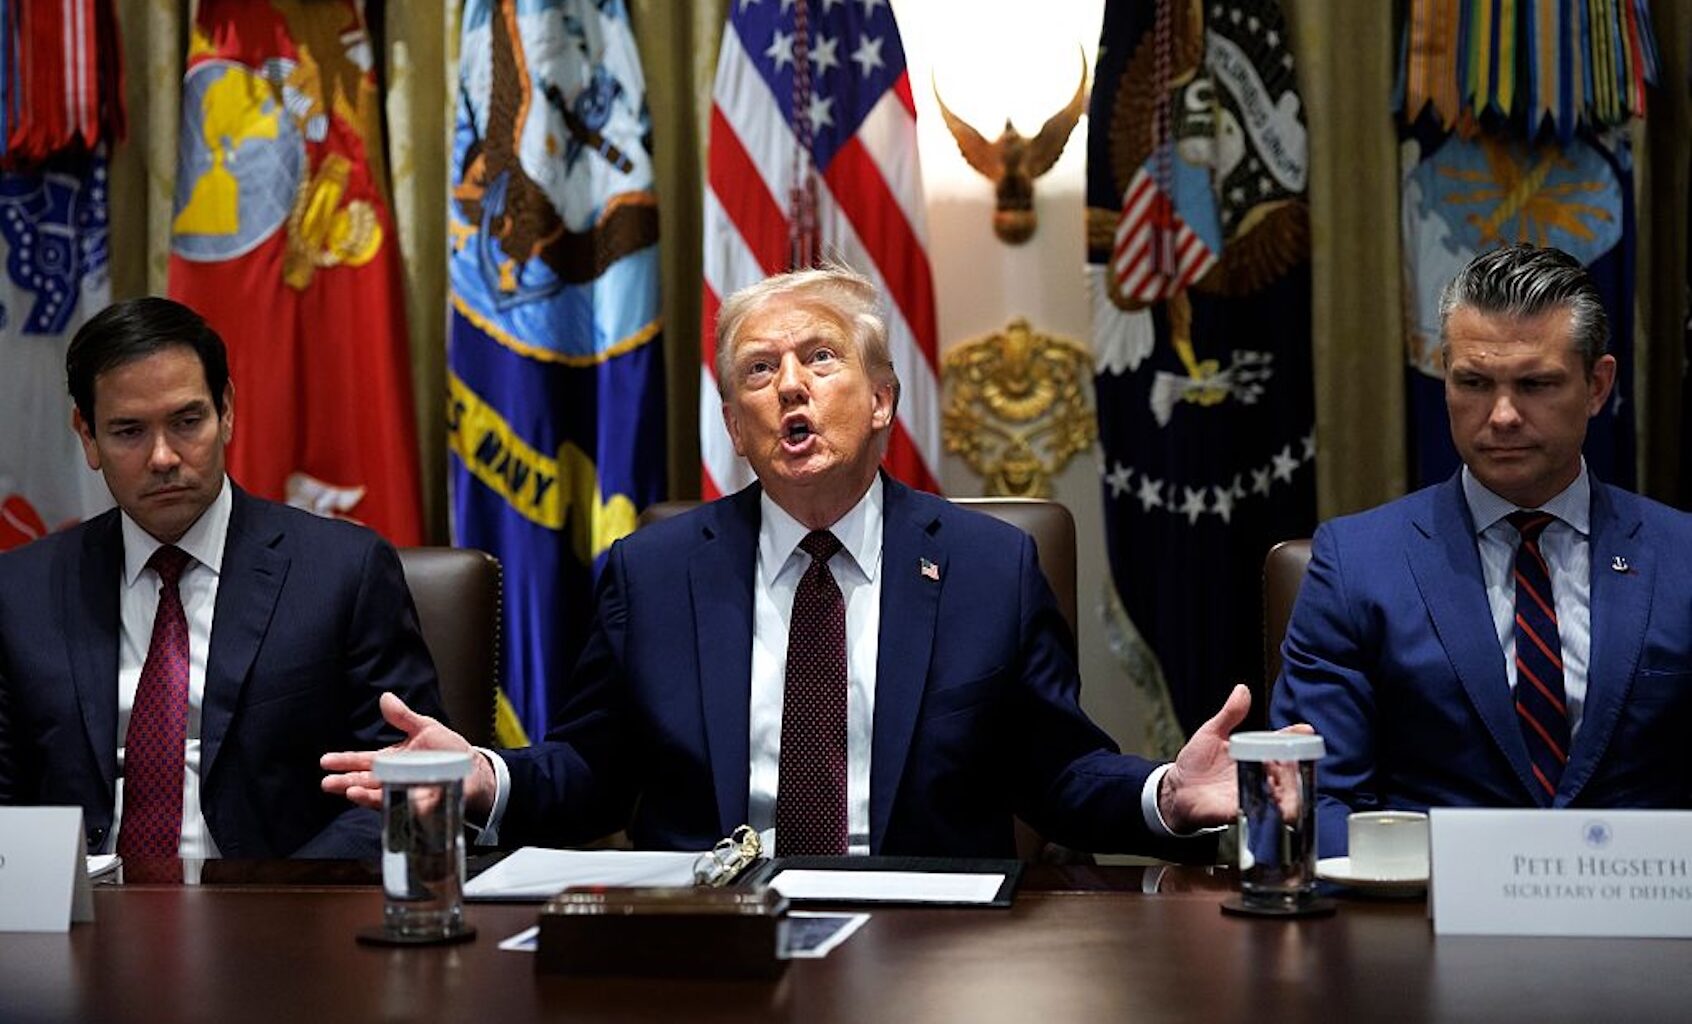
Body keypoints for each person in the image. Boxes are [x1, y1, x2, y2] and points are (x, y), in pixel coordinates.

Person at [325, 265, 1257, 859]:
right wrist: (493, 776)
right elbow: (591, 777)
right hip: (712, 945)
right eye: (760, 374)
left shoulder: (989, 569)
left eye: (820, 358)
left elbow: (1057, 773)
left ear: (885, 399)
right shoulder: (652, 575)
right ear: (734, 426)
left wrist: (1167, 794)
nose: (792, 390)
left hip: (929, 944)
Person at [1270, 244, 1692, 857]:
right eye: (1473, 382)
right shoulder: (1357, 564)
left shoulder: (1680, 556)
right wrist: (1477, 878)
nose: (1501, 415)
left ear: (1597, 386)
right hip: (1422, 923)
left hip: (1651, 927)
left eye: (1535, 384)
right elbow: (1317, 802)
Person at [0, 297, 445, 860]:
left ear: (226, 410)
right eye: (128, 431)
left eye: (187, 422)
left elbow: (414, 782)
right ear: (86, 436)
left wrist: (272, 903)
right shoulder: (20, 593)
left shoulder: (342, 572)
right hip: (83, 921)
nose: (163, 457)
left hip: (278, 919)